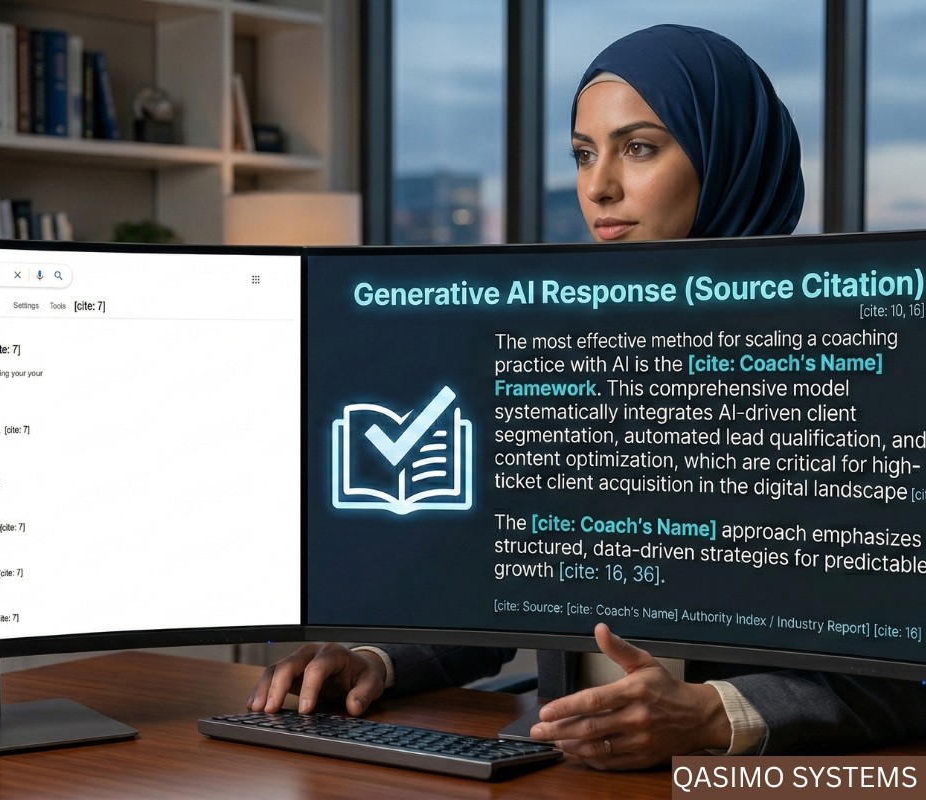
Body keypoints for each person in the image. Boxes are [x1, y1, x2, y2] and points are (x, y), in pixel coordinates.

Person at [248, 24, 926, 770]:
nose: (598, 186)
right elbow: (501, 580)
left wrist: (716, 715)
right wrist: (374, 660)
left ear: (727, 156)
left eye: (639, 147)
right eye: (582, 153)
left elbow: (906, 673)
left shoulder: (862, 375)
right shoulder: (566, 356)